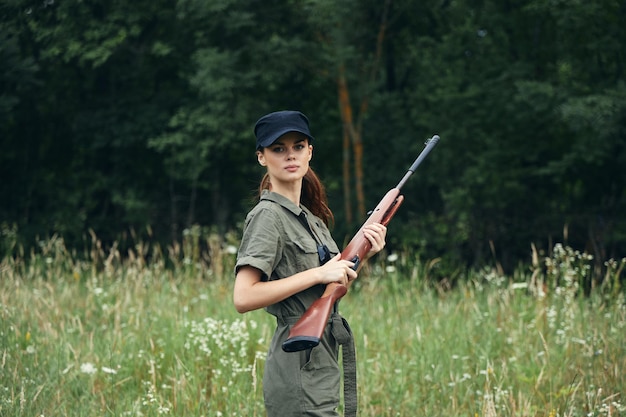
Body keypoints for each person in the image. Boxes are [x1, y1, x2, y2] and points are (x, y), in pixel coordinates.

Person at [233, 110, 387, 417]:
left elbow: (327, 288)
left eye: (298, 146)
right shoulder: (268, 217)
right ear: (262, 157)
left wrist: (362, 255)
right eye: (278, 149)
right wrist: (318, 272)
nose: (290, 155)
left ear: (310, 152)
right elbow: (244, 296)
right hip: (296, 364)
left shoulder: (312, 220)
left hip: (321, 359)